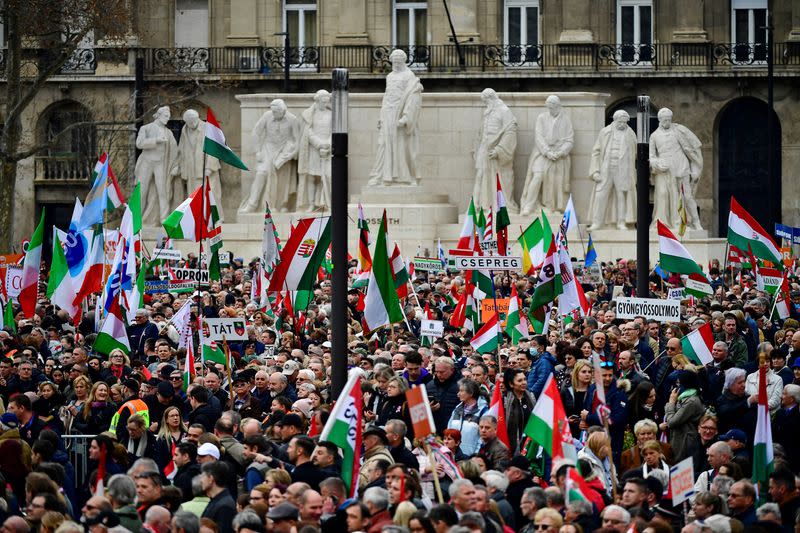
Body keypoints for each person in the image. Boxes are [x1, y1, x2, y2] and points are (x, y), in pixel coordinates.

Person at [368, 48, 423, 186]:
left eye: (399, 62)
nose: (396, 65)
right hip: (388, 113)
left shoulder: (409, 76)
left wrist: (405, 117)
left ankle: (407, 178)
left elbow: (413, 97)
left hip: (400, 115)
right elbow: (386, 97)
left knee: (402, 147)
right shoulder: (390, 76)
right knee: (383, 144)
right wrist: (381, 116)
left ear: (404, 61)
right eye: (394, 62)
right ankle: (382, 176)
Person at [648, 107, 703, 230]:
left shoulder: (679, 131)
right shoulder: (654, 136)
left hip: (681, 167)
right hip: (665, 170)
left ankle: (695, 222)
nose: (667, 122)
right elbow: (651, 157)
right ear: (659, 120)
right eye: (665, 120)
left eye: (669, 120)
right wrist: (657, 163)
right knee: (664, 195)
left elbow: (694, 148)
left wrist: (695, 169)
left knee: (687, 196)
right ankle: (669, 222)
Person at [520, 95, 574, 214]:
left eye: (552, 107)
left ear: (558, 106)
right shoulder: (542, 117)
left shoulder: (566, 119)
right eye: (548, 107)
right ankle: (528, 205)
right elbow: (538, 137)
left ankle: (551, 207)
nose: (550, 110)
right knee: (537, 176)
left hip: (559, 155)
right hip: (542, 153)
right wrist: (547, 152)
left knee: (554, 181)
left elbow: (570, 140)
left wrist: (560, 152)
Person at [588, 109, 637, 230]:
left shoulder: (631, 134)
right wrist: (595, 171)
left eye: (624, 122)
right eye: (620, 122)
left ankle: (621, 221)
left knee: (622, 196)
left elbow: (634, 153)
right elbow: (596, 152)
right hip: (606, 168)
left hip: (623, 169)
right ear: (615, 120)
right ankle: (597, 222)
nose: (622, 124)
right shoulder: (605, 132)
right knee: (601, 195)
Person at [472, 88, 519, 212]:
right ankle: (478, 206)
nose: (485, 105)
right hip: (484, 148)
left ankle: (500, 206)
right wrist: (476, 149)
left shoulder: (504, 111)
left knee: (499, 177)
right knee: (480, 175)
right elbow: (481, 133)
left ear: (491, 99)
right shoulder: (487, 112)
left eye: (486, 102)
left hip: (498, 151)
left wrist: (499, 150)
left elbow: (510, 131)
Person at [136, 106, 178, 223]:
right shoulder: (146, 128)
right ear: (158, 115)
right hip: (146, 162)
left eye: (169, 117)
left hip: (161, 164)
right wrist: (156, 140)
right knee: (142, 191)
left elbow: (175, 150)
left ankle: (164, 218)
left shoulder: (168, 132)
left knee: (162, 191)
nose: (167, 119)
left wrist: (175, 165)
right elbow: (139, 143)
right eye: (165, 116)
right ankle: (136, 219)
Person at [446, 379, 489, 457]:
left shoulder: (483, 411)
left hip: (471, 458)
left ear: (471, 393)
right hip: (453, 456)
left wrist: (476, 455)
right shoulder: (457, 409)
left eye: (462, 391)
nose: (458, 394)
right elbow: (449, 431)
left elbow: (483, 437)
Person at [200, 461, 236, 533]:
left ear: (211, 479)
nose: (200, 480)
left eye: (202, 476)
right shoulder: (218, 500)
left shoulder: (224, 506)